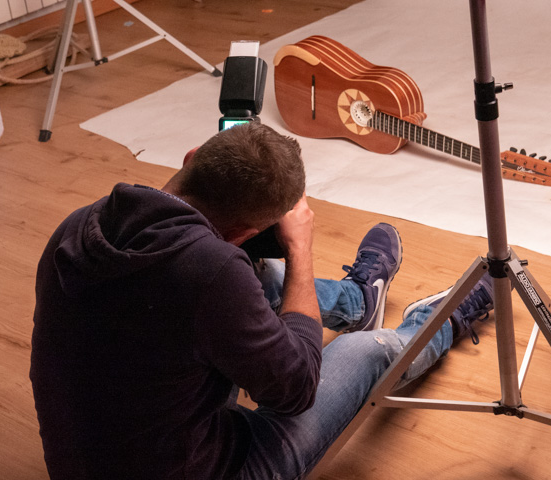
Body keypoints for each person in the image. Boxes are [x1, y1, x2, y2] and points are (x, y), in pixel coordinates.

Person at [30, 123, 495, 480]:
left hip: (79, 462)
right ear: (246, 233)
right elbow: (294, 391)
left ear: (192, 156)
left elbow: (205, 281)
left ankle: (356, 301)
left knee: (253, 279)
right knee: (363, 351)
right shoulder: (211, 274)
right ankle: (437, 323)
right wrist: (300, 249)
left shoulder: (80, 223)